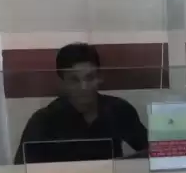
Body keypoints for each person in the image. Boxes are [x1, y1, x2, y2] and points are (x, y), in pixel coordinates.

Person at [14, 43, 149, 164]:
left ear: (100, 77)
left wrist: (124, 165)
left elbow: (152, 150)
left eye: (90, 78)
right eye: (74, 80)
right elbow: (21, 170)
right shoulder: (43, 121)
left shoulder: (119, 110)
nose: (84, 87)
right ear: (62, 83)